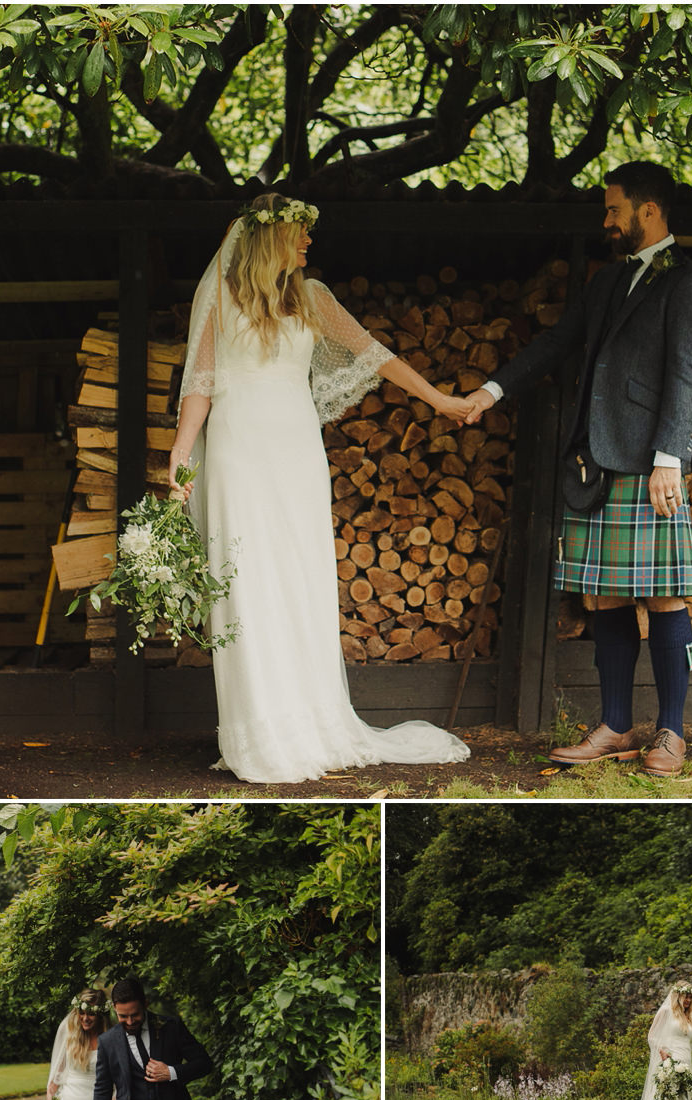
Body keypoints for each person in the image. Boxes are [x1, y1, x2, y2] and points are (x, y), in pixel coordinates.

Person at [167, 192, 473, 784]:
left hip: (297, 454)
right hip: (237, 453)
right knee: (247, 584)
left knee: (300, 581)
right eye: (300, 231)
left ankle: (312, 722)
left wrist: (438, 399)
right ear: (268, 237)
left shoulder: (312, 299)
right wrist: (181, 454)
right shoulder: (221, 300)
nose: (309, 242)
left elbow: (375, 356)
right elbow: (199, 384)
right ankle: (258, 734)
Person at [464, 162, 692, 777]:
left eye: (614, 210)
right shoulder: (608, 283)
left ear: (648, 211)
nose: (606, 220)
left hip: (646, 461)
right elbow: (557, 343)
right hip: (593, 459)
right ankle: (613, 724)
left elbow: (687, 374)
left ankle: (673, 733)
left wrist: (669, 459)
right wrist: (492, 391)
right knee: (603, 596)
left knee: (663, 596)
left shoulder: (689, 283)